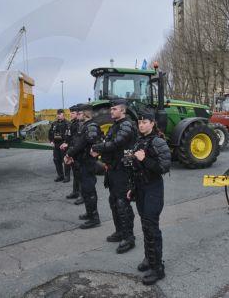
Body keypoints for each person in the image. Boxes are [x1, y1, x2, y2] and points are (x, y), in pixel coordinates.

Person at [127, 110, 171, 285]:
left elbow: (164, 167)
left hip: (153, 189)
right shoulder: (139, 141)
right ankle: (149, 258)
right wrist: (132, 188)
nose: (142, 125)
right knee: (145, 225)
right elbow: (135, 168)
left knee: (152, 227)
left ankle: (157, 268)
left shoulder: (158, 141)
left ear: (152, 123)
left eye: (145, 122)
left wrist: (144, 159)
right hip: (141, 188)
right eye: (139, 122)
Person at [91, 98, 137, 254]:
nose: (111, 111)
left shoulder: (126, 125)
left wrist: (98, 147)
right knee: (114, 202)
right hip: (113, 169)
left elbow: (116, 143)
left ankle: (128, 238)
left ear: (123, 111)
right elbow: (108, 141)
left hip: (123, 170)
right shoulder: (115, 125)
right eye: (111, 109)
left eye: (114, 109)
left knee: (122, 203)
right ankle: (119, 232)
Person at [65, 104, 102, 229]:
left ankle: (94, 218)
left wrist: (70, 153)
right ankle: (89, 213)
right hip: (81, 162)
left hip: (88, 163)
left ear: (86, 114)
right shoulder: (84, 126)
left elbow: (83, 143)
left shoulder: (91, 126)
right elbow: (77, 142)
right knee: (85, 191)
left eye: (80, 113)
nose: (77, 115)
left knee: (89, 190)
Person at [62, 105, 84, 204]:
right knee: (75, 173)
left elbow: (78, 141)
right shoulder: (72, 123)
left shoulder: (80, 124)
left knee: (80, 174)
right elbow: (69, 136)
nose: (71, 114)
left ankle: (82, 195)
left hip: (77, 152)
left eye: (73, 113)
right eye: (70, 113)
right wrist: (66, 143)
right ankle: (75, 192)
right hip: (72, 150)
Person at [48, 109, 71, 183]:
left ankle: (67, 176)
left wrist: (66, 143)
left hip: (64, 144)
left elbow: (70, 135)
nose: (58, 115)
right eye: (57, 114)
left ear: (63, 115)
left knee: (66, 160)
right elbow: (50, 133)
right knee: (56, 160)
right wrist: (51, 141)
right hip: (56, 145)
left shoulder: (68, 124)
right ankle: (60, 175)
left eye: (60, 114)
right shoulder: (54, 124)